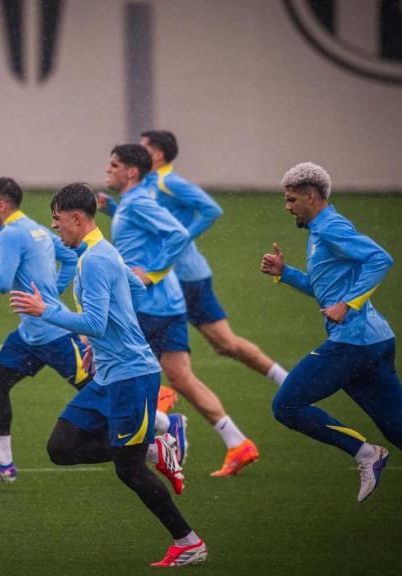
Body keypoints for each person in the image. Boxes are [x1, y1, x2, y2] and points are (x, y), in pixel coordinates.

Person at [260, 162, 402, 535]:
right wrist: (287, 274)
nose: (288, 207)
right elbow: (327, 290)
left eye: (291, 199)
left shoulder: (331, 227)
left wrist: (350, 304)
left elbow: (381, 259)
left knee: (286, 406)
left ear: (311, 197)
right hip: (376, 343)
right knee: (401, 428)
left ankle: (365, 453)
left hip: (353, 345)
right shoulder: (319, 230)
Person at [10, 183, 206, 567]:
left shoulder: (96, 259)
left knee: (129, 470)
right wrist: (101, 347)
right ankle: (155, 447)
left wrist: (43, 310)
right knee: (61, 448)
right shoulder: (101, 251)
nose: (54, 226)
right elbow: (133, 287)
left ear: (77, 218)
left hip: (131, 377)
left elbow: (97, 322)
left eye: (57, 219)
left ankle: (189, 542)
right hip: (109, 375)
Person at [103, 144, 260, 477]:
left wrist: (152, 272)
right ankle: (238, 443)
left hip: (148, 306)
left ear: (131, 171)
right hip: (170, 304)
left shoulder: (140, 201)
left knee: (109, 368)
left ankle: (163, 427)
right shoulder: (135, 200)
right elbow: (144, 233)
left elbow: (175, 234)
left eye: (114, 165)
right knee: (182, 378)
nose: (107, 169)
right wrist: (112, 210)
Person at [109, 130, 288, 388]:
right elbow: (146, 228)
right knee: (178, 362)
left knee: (223, 344)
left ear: (157, 154)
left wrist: (183, 239)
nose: (137, 152)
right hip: (166, 279)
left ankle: (285, 380)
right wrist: (114, 211)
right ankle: (160, 414)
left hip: (185, 276)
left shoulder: (168, 182)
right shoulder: (146, 183)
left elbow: (211, 210)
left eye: (144, 148)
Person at [0, 177, 93, 485]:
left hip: (54, 335)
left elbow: (1, 282)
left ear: (2, 205)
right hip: (29, 336)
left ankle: (163, 425)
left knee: (100, 392)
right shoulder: (35, 228)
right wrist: (51, 294)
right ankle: (2, 463)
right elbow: (70, 257)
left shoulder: (11, 234)